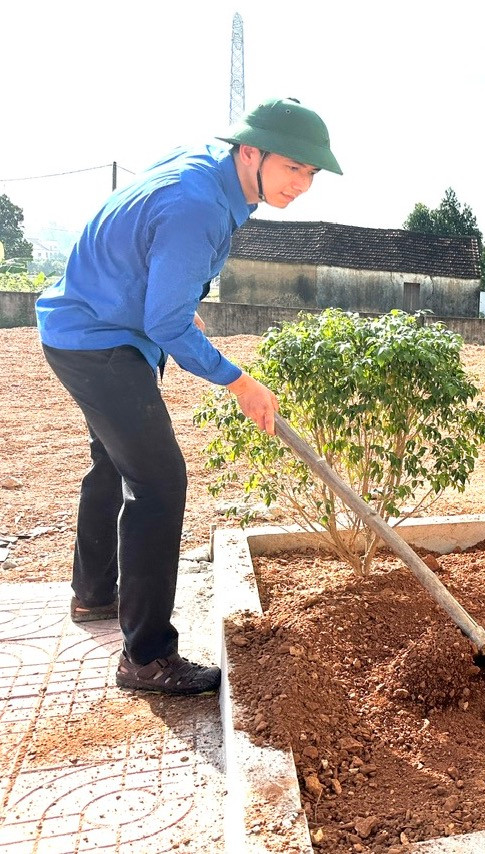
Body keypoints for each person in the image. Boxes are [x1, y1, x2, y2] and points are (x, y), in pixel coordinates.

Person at [36, 97, 342, 694]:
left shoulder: (208, 168)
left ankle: (94, 595)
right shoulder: (199, 203)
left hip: (92, 322)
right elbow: (167, 325)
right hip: (98, 339)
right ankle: (146, 658)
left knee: (115, 460)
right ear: (250, 152)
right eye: (293, 169)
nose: (303, 185)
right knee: (158, 482)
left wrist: (174, 302)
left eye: (311, 174)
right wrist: (238, 380)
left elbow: (155, 271)